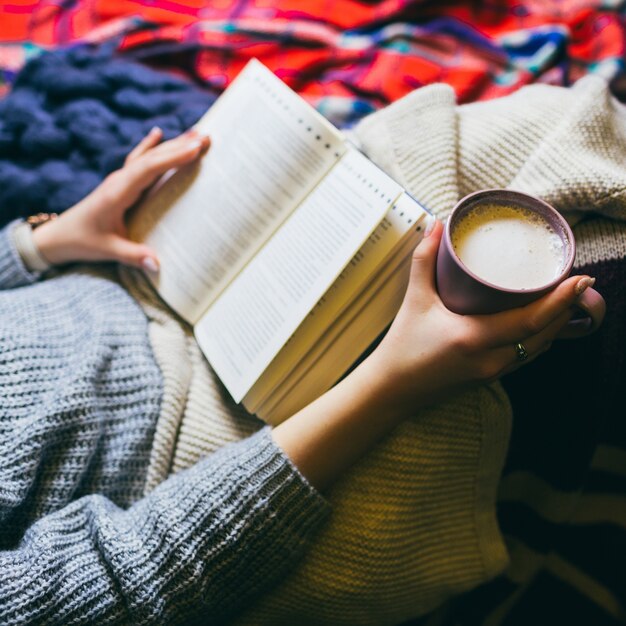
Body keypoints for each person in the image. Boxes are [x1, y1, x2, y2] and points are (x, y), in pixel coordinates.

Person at [0, 127, 594, 625]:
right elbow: (120, 584)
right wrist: (392, 384)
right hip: (206, 450)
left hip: (132, 267)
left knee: (446, 133)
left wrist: (43, 242)